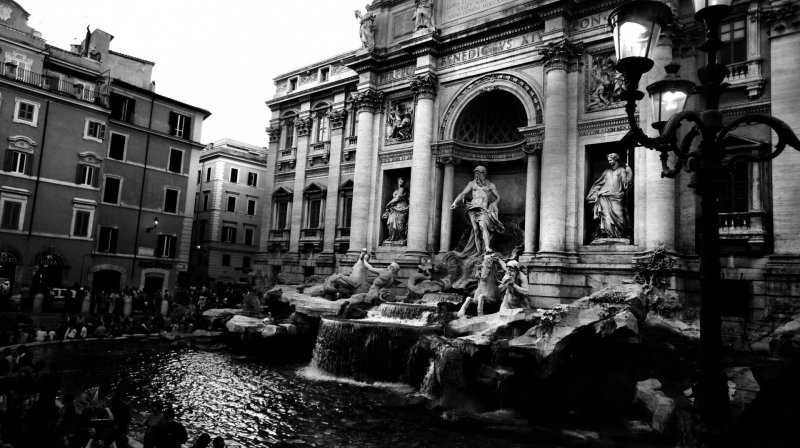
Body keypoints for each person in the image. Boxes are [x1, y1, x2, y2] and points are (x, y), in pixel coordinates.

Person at [451, 165, 505, 255]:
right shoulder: (471, 184)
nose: (477, 175)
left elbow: (498, 197)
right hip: (472, 208)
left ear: (484, 174)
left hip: (483, 209)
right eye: (476, 173)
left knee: (483, 227)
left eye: (479, 173)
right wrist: (455, 202)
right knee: (475, 230)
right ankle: (478, 250)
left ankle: (487, 247)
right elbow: (463, 194)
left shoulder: (490, 185)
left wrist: (495, 203)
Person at [586, 152, 633, 240]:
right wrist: (595, 192)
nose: (609, 162)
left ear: (616, 160)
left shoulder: (621, 170)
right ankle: (609, 234)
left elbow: (626, 185)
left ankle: (619, 234)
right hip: (604, 196)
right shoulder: (606, 172)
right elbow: (599, 184)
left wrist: (629, 173)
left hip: (616, 196)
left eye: (610, 160)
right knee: (606, 216)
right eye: (608, 160)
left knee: (619, 215)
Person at [382, 177, 410, 244]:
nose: (401, 183)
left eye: (402, 181)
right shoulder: (397, 190)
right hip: (394, 208)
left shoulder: (402, 189)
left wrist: (388, 204)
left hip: (401, 207)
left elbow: (397, 198)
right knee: (391, 222)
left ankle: (401, 237)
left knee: (400, 224)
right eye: (400, 181)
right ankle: (392, 237)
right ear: (398, 182)